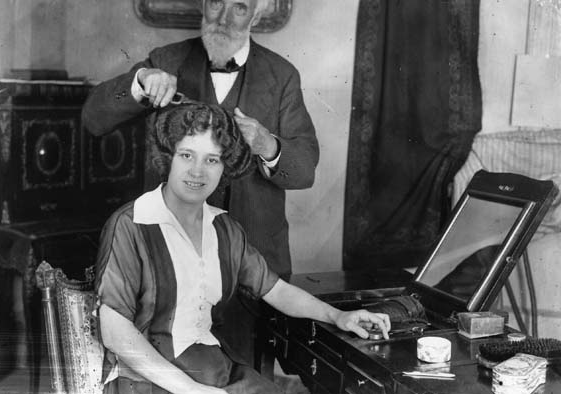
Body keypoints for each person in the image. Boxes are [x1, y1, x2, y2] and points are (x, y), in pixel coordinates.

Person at [83, 0, 319, 364]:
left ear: (255, 15)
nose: (225, 18)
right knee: (168, 370)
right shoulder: (165, 60)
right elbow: (93, 119)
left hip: (252, 266)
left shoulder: (282, 77)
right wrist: (140, 84)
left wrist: (267, 144)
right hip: (166, 264)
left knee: (245, 375)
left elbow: (304, 170)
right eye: (216, 3)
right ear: (202, 3)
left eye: (239, 8)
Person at [95, 103, 390, 394]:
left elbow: (276, 290)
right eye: (186, 155)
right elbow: (114, 331)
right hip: (147, 380)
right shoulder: (131, 223)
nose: (197, 171)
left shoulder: (224, 229)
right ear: (167, 157)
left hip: (210, 366)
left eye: (212, 160)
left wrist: (337, 316)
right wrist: (190, 390)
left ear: (226, 166)